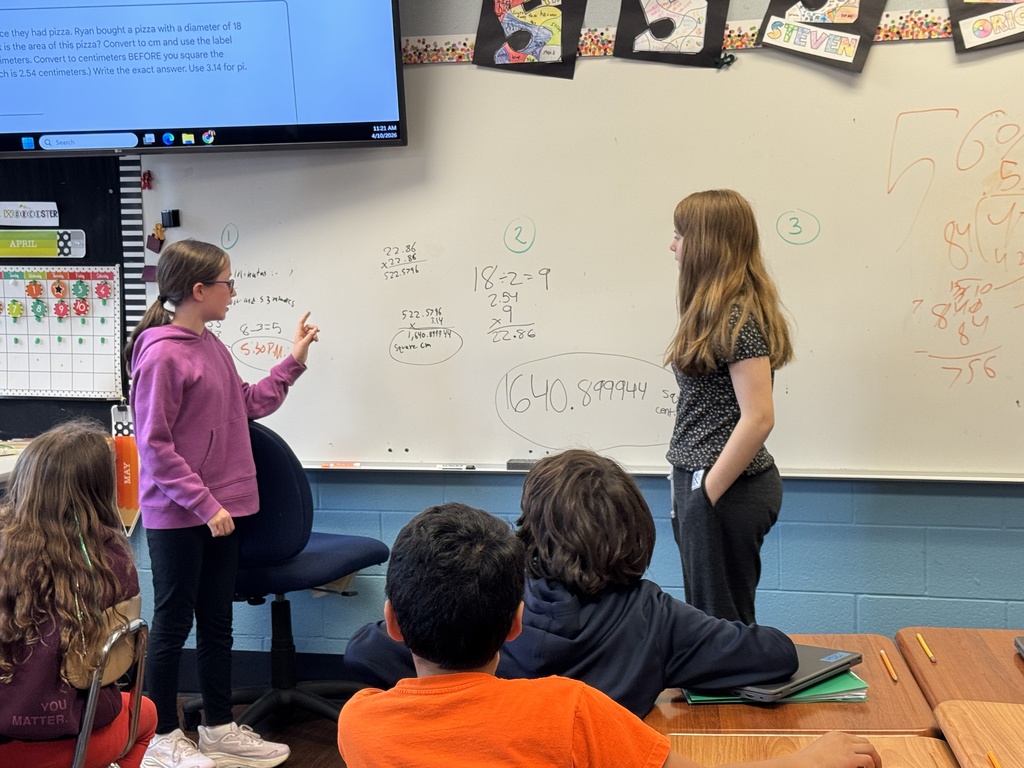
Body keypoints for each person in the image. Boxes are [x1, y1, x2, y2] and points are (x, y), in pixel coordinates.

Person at [337, 502, 880, 768]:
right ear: (514, 623)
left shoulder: (356, 725)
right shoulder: (567, 710)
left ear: (392, 622)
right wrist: (805, 760)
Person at [345, 449, 799, 717]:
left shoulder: (486, 598)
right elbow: (777, 654)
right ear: (635, 528)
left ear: (532, 525)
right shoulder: (656, 617)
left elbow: (364, 650)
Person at [124, 239, 320, 768]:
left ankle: (217, 726)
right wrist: (205, 504)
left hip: (220, 514)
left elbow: (248, 403)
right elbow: (155, 448)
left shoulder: (211, 344)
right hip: (182, 515)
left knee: (216, 623)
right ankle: (161, 735)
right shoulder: (162, 355)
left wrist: (292, 363)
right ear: (198, 289)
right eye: (227, 283)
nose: (233, 292)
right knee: (172, 623)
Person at [665, 189, 794, 624]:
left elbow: (759, 417)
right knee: (712, 623)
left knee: (722, 626)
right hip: (706, 484)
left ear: (705, 243)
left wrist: (705, 494)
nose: (673, 246)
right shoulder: (713, 311)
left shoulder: (737, 317)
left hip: (727, 489)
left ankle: (733, 693)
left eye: (680, 235)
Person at [0, 419, 158, 768]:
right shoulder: (109, 560)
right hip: (77, 742)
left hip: (3, 747)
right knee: (145, 715)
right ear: (100, 489)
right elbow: (119, 664)